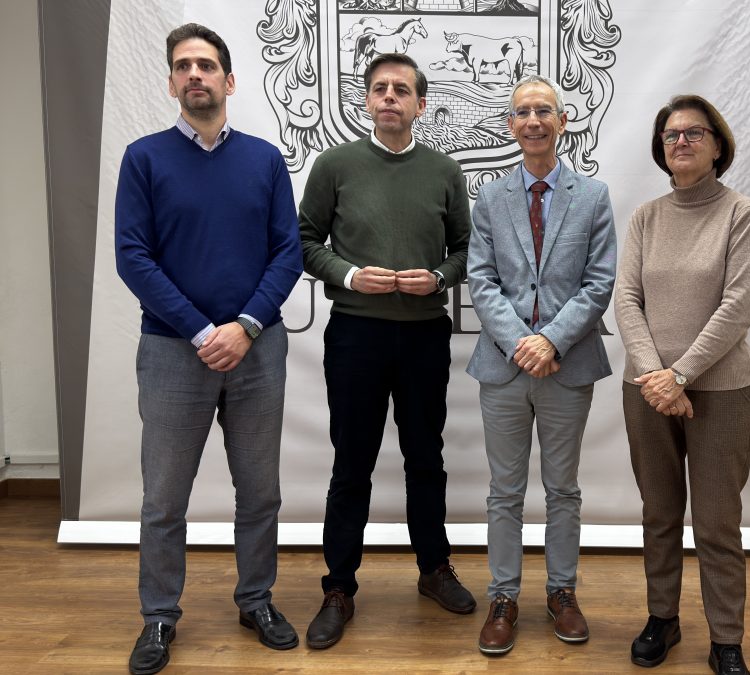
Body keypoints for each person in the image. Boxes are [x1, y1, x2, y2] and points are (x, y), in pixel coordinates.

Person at [115, 23, 304, 675]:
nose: (194, 74)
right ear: (171, 83)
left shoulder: (265, 160)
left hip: (257, 349)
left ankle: (257, 599)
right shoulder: (143, 158)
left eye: (206, 64)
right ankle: (160, 615)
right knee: (164, 498)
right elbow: (133, 256)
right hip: (174, 353)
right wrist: (203, 330)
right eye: (182, 66)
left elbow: (288, 251)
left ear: (229, 80)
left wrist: (246, 324)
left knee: (259, 491)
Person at [297, 52, 475, 650]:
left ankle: (433, 569)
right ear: (366, 102)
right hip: (355, 334)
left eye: (402, 90)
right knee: (353, 462)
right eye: (380, 89)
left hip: (424, 333)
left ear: (421, 104)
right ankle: (339, 587)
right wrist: (348, 276)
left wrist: (441, 279)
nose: (390, 97)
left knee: (426, 457)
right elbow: (303, 241)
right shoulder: (334, 165)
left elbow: (464, 249)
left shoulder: (445, 171)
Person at [466, 74, 617, 655]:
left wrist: (549, 341)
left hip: (567, 366)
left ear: (562, 121)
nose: (533, 120)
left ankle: (562, 592)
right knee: (504, 492)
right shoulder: (491, 197)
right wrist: (519, 342)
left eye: (544, 111)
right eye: (523, 112)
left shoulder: (593, 196)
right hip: (504, 369)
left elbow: (599, 282)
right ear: (510, 125)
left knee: (563, 490)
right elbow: (480, 280)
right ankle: (502, 597)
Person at [614, 95, 750, 675]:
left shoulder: (741, 213)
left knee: (719, 520)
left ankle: (727, 638)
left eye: (694, 133)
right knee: (660, 511)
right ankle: (663, 618)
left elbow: (738, 306)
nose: (681, 142)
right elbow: (627, 299)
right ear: (661, 148)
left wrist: (679, 375)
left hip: (720, 392)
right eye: (672, 135)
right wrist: (657, 378)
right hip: (646, 391)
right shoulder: (646, 217)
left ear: (718, 145)